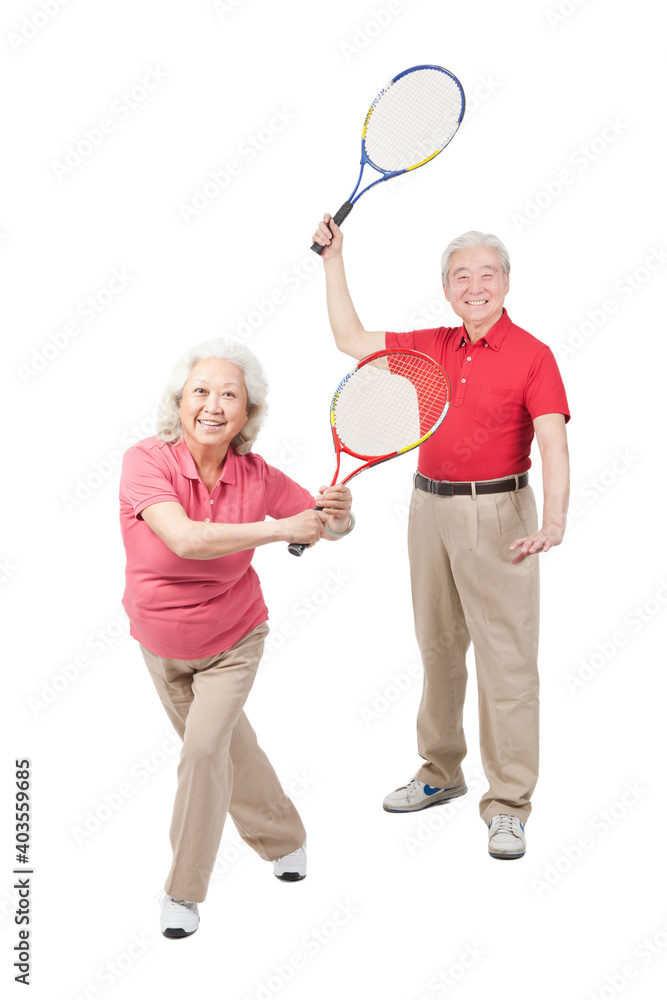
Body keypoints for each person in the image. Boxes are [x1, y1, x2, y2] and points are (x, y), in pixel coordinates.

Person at [312, 216, 570, 860]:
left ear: (507, 282)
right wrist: (333, 259)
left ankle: (509, 803)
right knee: (438, 648)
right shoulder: (432, 345)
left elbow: (554, 445)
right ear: (447, 290)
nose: (475, 285)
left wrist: (556, 520)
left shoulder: (534, 355)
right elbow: (350, 338)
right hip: (427, 508)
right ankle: (441, 772)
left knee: (506, 662)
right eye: (462, 276)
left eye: (487, 273)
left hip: (500, 513)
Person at [119, 338, 353, 936]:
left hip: (233, 639)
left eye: (231, 394)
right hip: (159, 643)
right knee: (228, 748)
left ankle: (182, 893)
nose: (214, 405)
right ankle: (286, 839)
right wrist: (281, 529)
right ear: (180, 401)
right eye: (201, 391)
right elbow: (187, 540)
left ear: (248, 412)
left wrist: (338, 515)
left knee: (201, 752)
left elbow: (323, 524)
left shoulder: (258, 475)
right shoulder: (146, 461)